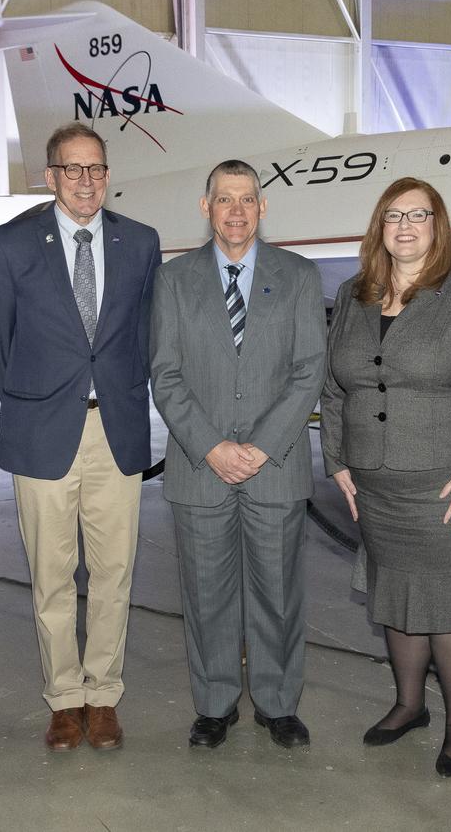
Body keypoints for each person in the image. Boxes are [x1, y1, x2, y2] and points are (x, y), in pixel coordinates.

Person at [0, 122, 161, 752]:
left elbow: (143, 335)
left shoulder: (140, 242)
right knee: (51, 574)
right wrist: (34, 400)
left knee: (114, 571)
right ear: (50, 176)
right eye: (73, 169)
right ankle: (63, 697)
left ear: (108, 175)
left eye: (97, 169)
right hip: (43, 432)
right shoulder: (11, 243)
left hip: (117, 430)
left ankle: (103, 695)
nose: (86, 181)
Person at [320, 177, 451, 777]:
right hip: (375, 482)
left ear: (439, 223)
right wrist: (338, 462)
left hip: (448, 483)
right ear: (379, 226)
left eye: (418, 215)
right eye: (392, 215)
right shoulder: (355, 293)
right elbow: (332, 388)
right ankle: (408, 705)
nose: (404, 226)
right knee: (395, 594)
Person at [150, 159, 326, 750]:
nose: (236, 211)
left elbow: (309, 373)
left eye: (247, 199)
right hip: (201, 468)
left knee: (278, 592)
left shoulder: (299, 276)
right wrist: (213, 447)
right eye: (224, 199)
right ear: (206, 208)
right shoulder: (174, 281)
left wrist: (259, 448)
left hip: (273, 467)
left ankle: (278, 705)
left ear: (263, 207)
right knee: (206, 593)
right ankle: (215, 704)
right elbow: (166, 375)